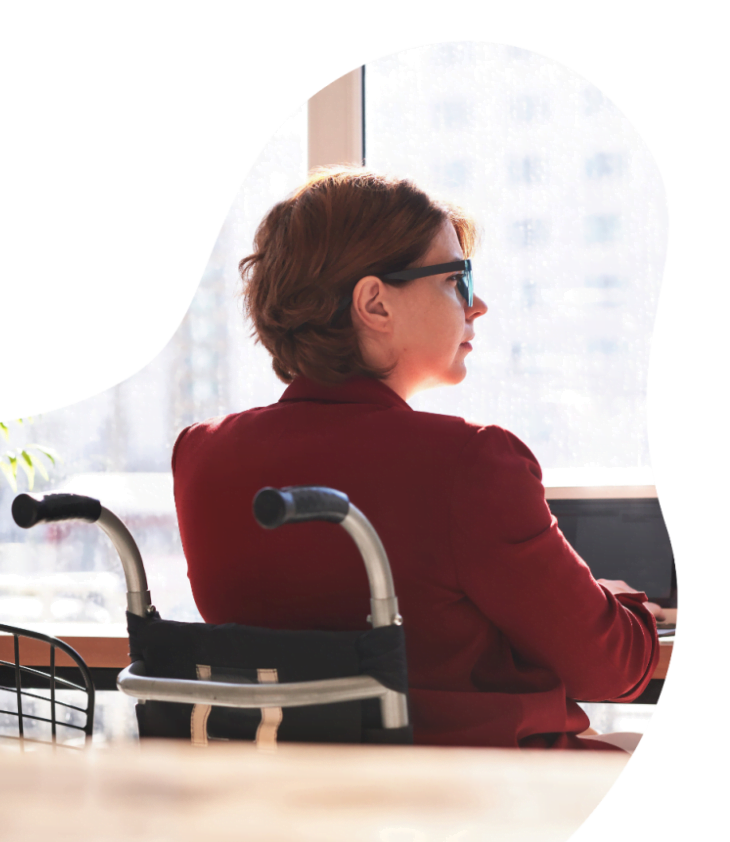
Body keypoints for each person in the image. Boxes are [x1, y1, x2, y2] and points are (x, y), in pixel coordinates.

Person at [171, 169, 661, 749]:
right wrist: (618, 602)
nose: (477, 304)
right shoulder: (472, 462)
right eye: (457, 279)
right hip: (476, 808)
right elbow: (612, 668)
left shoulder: (200, 455)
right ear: (375, 303)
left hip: (286, 806)